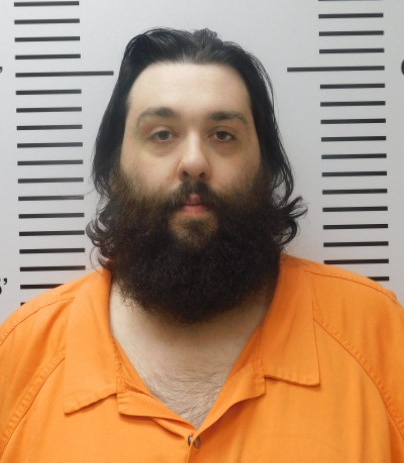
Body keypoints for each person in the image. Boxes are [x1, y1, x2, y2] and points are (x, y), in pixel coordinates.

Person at [0, 28, 403, 462]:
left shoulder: (379, 337)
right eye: (162, 134)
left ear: (265, 169)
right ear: (113, 169)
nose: (194, 162)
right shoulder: (20, 357)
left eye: (223, 134)